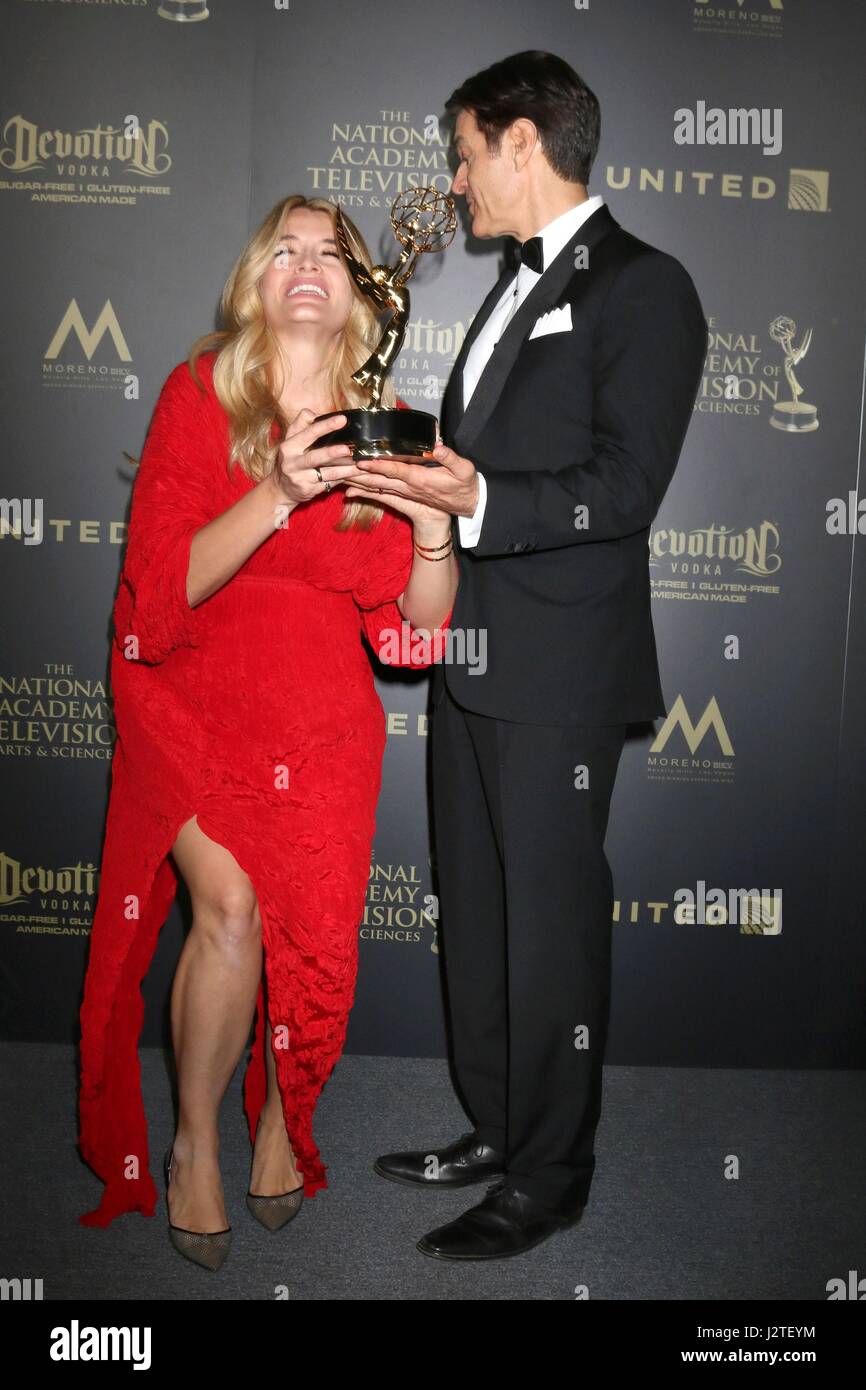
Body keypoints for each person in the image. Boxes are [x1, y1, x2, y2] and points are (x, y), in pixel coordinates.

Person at [347, 51, 707, 1260]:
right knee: (483, 913)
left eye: (461, 152)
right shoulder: (507, 286)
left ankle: (550, 1175)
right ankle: (498, 1124)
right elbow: (485, 461)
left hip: (559, 669)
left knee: (549, 927)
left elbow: (623, 484)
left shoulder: (644, 287)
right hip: (474, 653)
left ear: (517, 141)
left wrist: (479, 496)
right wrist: (415, 472)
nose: (452, 182)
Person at [77, 193, 455, 1270]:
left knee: (313, 940)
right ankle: (195, 1140)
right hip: (188, 696)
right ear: (255, 279)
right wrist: (281, 490)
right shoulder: (202, 397)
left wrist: (432, 531)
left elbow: (412, 640)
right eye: (282, 248)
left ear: (358, 296)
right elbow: (157, 593)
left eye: (328, 253)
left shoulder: (387, 418)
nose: (304, 264)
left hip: (323, 723)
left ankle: (282, 1120)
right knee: (233, 909)